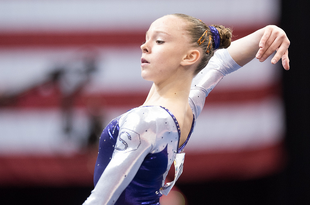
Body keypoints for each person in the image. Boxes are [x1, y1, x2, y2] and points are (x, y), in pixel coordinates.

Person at [83, 13, 290, 205]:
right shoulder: (187, 108)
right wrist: (268, 32)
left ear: (190, 57)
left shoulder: (146, 121)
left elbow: (101, 200)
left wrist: (269, 32)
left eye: (159, 41)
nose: (144, 46)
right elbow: (221, 63)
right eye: (147, 39)